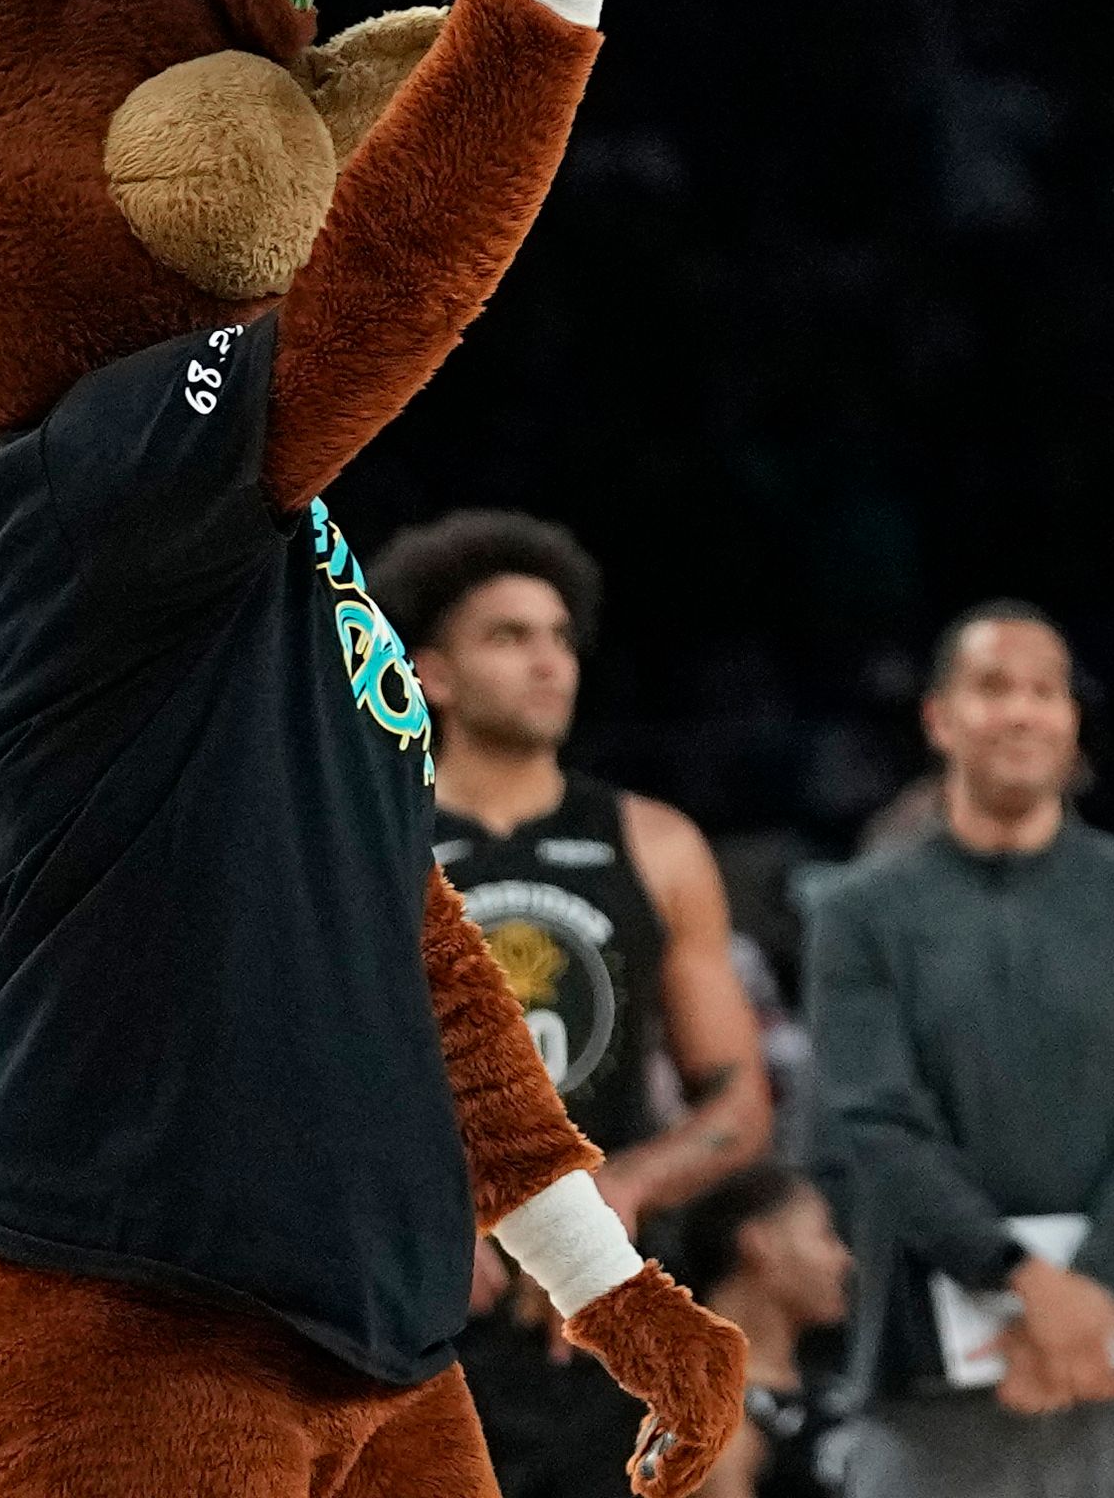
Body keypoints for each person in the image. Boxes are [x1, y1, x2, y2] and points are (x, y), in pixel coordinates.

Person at [363, 509, 779, 1498]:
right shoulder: (366, 840)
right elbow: (293, 1076)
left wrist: (625, 1187)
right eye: (511, 636)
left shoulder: (656, 842)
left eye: (559, 637)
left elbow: (739, 1102)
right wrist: (408, 1215)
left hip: (592, 1316)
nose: (550, 661)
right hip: (405, 1308)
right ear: (433, 674)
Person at [807, 604, 1114, 1498]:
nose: (1024, 712)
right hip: (927, 1371)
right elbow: (877, 1120)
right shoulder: (861, 911)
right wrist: (1023, 1283)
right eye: (994, 688)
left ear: (1072, 721)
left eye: (1046, 690)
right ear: (940, 718)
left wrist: (1093, 1297)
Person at [677, 1164, 856, 1498]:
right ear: (760, 1244)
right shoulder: (720, 1423)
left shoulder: (819, 1387)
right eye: (825, 1235)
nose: (843, 1259)